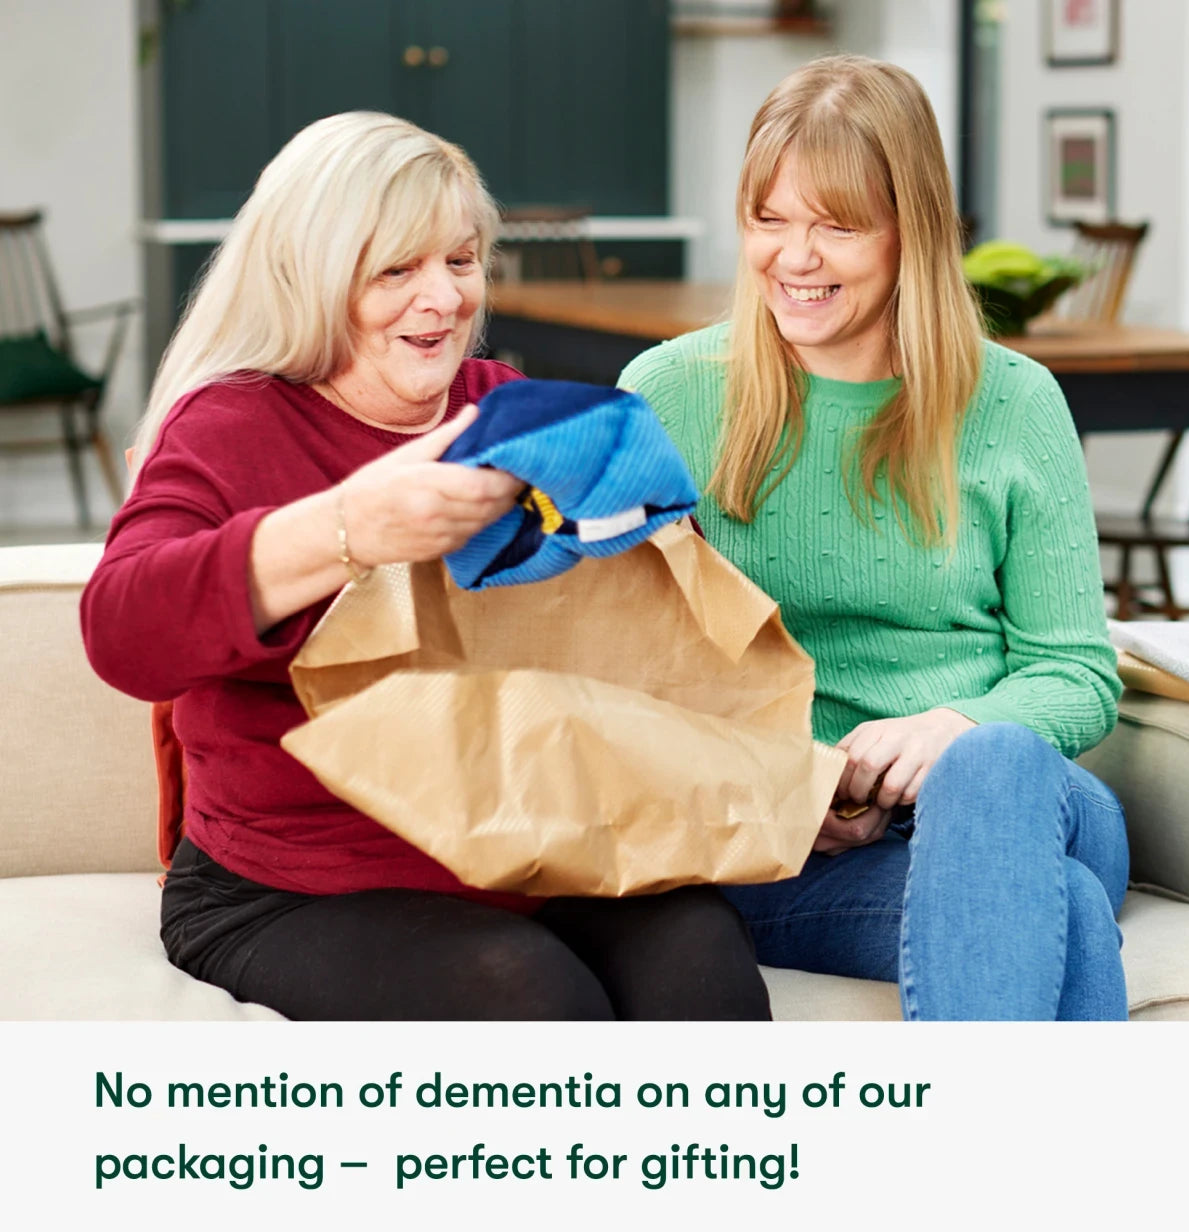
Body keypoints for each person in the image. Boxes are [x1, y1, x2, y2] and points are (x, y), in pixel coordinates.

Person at [81, 112, 770, 1022]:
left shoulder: (511, 413)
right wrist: (347, 528)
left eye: (459, 260)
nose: (443, 300)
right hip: (293, 884)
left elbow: (654, 632)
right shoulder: (229, 426)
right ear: (313, 279)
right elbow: (122, 632)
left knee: (702, 957)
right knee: (525, 993)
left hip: (536, 851)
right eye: (396, 270)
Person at [620, 56, 1129, 1020]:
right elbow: (618, 674)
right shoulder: (671, 395)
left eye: (837, 226)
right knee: (1054, 903)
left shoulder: (1015, 401)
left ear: (913, 232)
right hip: (787, 836)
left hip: (1021, 795)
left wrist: (956, 731)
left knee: (998, 765)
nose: (795, 258)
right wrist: (784, 782)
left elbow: (1077, 671)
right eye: (770, 220)